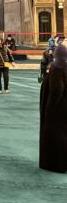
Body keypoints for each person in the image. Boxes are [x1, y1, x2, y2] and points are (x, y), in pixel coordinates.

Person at [39, 43, 67, 173]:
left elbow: (57, 90)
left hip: (57, 110)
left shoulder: (57, 68)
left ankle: (56, 164)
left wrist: (49, 110)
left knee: (56, 136)